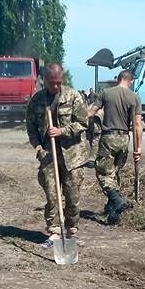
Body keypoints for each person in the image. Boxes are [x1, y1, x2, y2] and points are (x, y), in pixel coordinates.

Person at [26, 63, 90, 239]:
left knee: (72, 195)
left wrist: (62, 131)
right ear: (44, 80)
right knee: (52, 195)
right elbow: (30, 126)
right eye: (52, 82)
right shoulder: (37, 100)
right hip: (48, 155)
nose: (55, 86)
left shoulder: (73, 97)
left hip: (72, 155)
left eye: (58, 82)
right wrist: (38, 147)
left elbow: (84, 123)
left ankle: (71, 230)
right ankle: (53, 230)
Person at [89, 70, 143, 225]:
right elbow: (137, 124)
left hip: (108, 137)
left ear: (117, 79)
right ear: (130, 81)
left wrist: (88, 128)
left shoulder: (106, 93)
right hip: (124, 138)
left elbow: (91, 111)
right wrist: (138, 148)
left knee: (103, 173)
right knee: (114, 173)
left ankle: (116, 199)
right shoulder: (134, 98)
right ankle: (113, 213)